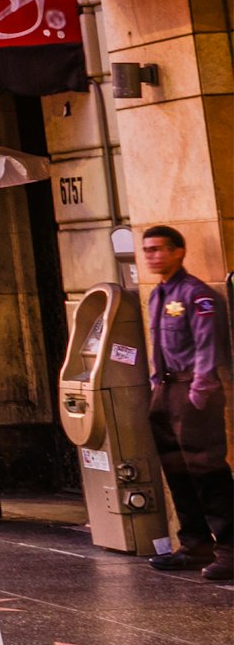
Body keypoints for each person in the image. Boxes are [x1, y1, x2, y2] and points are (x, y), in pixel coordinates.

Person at [137, 225, 231, 578]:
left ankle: (229, 551)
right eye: (147, 250)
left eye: (159, 249)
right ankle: (194, 545)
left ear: (179, 251)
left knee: (208, 473)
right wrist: (154, 388)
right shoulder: (158, 295)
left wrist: (199, 393)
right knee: (177, 473)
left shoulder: (197, 296)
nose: (152, 256)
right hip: (164, 392)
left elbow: (208, 348)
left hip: (193, 391)